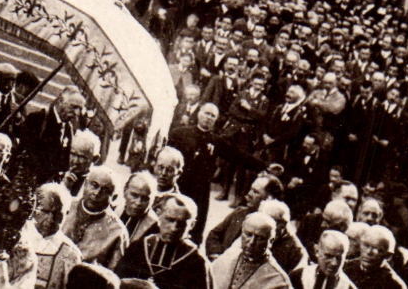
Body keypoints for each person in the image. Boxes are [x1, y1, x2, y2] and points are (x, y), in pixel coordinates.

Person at [115, 194, 210, 289]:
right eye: (170, 220)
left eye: (181, 223)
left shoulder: (195, 261)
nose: (174, 228)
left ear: (192, 225)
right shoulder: (138, 248)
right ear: (158, 214)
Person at [171, 102, 223, 243]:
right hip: (181, 183)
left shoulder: (216, 141)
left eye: (213, 116)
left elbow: (238, 155)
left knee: (195, 224)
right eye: (206, 113)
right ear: (199, 113)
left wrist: (265, 167)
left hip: (200, 189)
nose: (208, 117)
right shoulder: (180, 133)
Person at [61, 165, 130, 269]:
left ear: (114, 197)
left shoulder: (117, 232)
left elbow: (111, 272)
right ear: (85, 184)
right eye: (94, 185)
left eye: (105, 190)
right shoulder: (64, 206)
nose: (97, 193)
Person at [210, 212, 292, 289]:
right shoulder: (227, 258)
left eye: (260, 238)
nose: (252, 242)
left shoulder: (278, 280)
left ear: (270, 241)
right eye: (248, 234)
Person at [33, 182, 85, 289]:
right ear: (34, 209)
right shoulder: (19, 238)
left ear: (66, 214)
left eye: (57, 214)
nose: (51, 219)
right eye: (45, 212)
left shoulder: (70, 254)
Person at [345, 225, 408, 289]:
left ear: (388, 256)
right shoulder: (345, 268)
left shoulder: (393, 284)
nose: (369, 252)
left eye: (377, 249)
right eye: (366, 245)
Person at [290, 230, 358, 289]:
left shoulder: (348, 287)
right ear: (317, 251)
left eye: (339, 258)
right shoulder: (298, 277)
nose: (334, 263)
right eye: (328, 256)